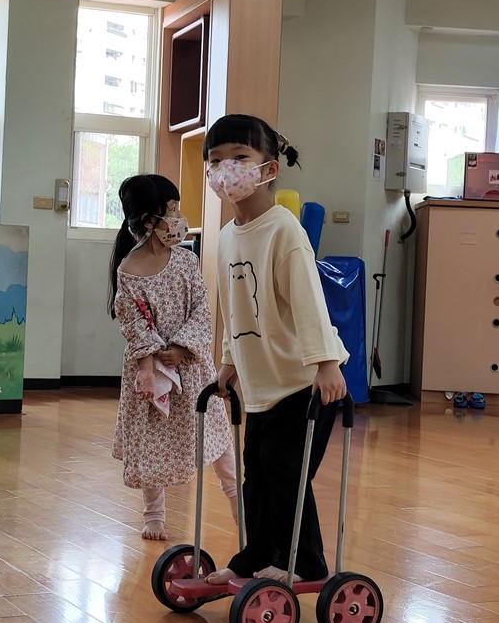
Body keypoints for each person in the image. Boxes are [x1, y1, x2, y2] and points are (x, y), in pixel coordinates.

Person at [202, 114, 348, 585]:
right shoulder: (227, 236)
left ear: (268, 168)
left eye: (240, 157)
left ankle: (306, 563)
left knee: (287, 474)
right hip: (262, 384)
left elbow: (309, 300)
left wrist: (326, 363)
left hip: (304, 382)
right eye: (216, 160)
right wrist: (228, 362)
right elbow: (232, 307)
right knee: (258, 476)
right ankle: (257, 554)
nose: (226, 169)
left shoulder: (284, 230)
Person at [108, 174, 236, 540]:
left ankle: (238, 504)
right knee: (152, 439)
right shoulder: (128, 271)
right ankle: (154, 515)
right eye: (172, 210)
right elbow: (133, 324)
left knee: (217, 438)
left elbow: (202, 308)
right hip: (152, 370)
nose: (178, 217)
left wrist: (181, 348)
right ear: (149, 220)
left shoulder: (186, 261)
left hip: (192, 367)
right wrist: (148, 367)